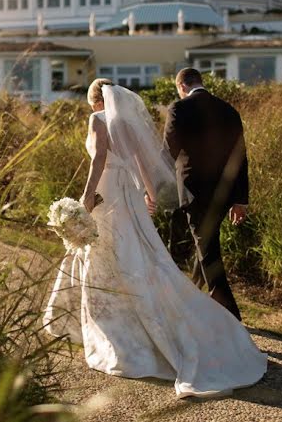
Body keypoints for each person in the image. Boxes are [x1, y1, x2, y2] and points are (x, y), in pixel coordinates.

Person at [43, 78, 266, 398]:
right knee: (139, 254)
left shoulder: (97, 118)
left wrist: (87, 195)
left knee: (104, 254)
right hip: (129, 196)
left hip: (107, 192)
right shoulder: (128, 124)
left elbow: (98, 159)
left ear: (95, 101)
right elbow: (142, 163)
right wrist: (149, 193)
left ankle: (111, 327)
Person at [162, 68, 249, 320]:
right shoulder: (229, 110)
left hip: (193, 192)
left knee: (207, 248)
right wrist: (240, 199)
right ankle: (195, 298)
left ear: (181, 86)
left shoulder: (178, 109)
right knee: (206, 244)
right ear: (200, 82)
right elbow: (241, 158)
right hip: (224, 192)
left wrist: (150, 185)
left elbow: (168, 152)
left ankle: (229, 312)